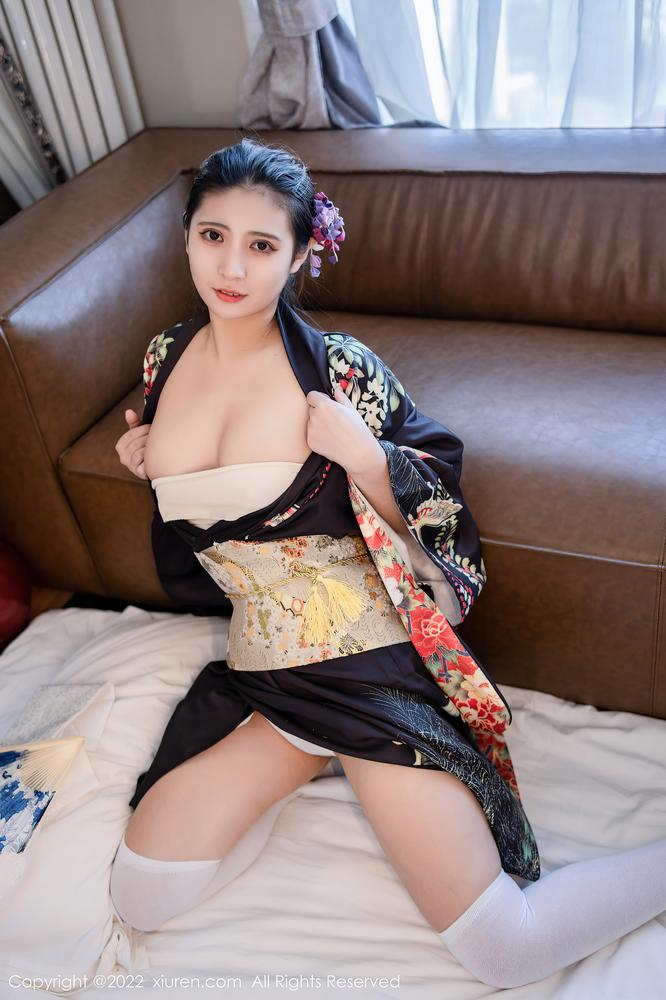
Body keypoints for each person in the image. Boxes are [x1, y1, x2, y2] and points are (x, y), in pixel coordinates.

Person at [110, 137, 666, 988]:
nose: (233, 267)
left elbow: (441, 503)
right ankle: (308, 755)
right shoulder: (163, 359)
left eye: (262, 245)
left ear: (300, 255)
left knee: (504, 947)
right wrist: (144, 461)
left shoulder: (338, 370)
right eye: (213, 236)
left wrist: (369, 460)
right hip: (265, 674)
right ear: (186, 235)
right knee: (142, 894)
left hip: (366, 662)